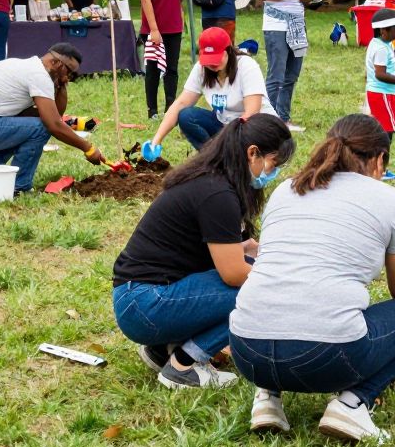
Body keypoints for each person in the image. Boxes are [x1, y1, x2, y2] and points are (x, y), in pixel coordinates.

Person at [229, 115, 395, 441]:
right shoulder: (388, 199)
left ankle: (267, 397)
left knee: (281, 291)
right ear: (380, 159)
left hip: (247, 352)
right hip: (326, 358)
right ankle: (351, 405)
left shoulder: (285, 189)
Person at [113, 114, 294, 390]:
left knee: (254, 272)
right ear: (252, 153)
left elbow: (244, 248)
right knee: (258, 291)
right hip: (145, 303)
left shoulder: (212, 180)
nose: (272, 172)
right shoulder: (217, 194)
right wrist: (283, 283)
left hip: (138, 299)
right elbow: (234, 273)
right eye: (273, 163)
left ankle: (162, 349)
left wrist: (281, 258)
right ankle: (183, 365)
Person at [0, 44, 107, 195]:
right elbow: (53, 125)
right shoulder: (39, 76)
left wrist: (61, 87)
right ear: (56, 63)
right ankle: (19, 187)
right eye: (70, 72)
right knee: (41, 128)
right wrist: (88, 148)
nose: (70, 78)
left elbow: (52, 114)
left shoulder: (32, 68)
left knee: (29, 126)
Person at [143, 28, 276, 154]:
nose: (212, 64)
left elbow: (252, 112)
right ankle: (213, 159)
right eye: (209, 59)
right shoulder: (201, 69)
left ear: (228, 51)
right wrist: (156, 142)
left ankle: (234, 158)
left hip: (256, 128)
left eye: (216, 57)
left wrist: (229, 138)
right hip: (225, 125)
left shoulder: (246, 66)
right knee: (186, 116)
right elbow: (181, 104)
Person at [258, 0, 313, 132]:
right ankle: (268, 122)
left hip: (297, 24)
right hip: (277, 25)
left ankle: (284, 119)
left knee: (292, 75)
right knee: (276, 75)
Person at [139, 0, 187, 119]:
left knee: (172, 69)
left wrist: (181, 19)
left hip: (174, 28)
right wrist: (154, 29)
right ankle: (152, 111)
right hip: (154, 30)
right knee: (153, 69)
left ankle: (170, 108)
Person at [365, 8, 395, 141]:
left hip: (381, 93)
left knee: (381, 128)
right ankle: (381, 157)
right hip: (382, 94)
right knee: (386, 131)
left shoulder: (378, 43)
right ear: (383, 31)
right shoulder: (382, 49)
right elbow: (380, 74)